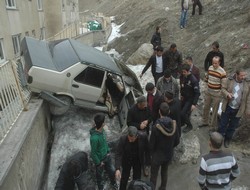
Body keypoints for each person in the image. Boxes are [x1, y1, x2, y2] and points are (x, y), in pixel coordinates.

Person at [150, 102, 179, 190]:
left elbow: (151, 144)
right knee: (164, 172)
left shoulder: (156, 127)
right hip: (168, 154)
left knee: (154, 176)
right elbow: (177, 141)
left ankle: (152, 188)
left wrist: (152, 153)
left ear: (159, 112)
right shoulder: (174, 125)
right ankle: (163, 188)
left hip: (157, 155)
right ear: (169, 112)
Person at [218, 68, 250, 148]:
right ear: (236, 74)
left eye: (244, 75)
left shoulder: (247, 83)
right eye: (241, 75)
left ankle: (227, 139)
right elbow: (223, 89)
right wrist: (227, 94)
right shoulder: (229, 80)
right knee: (223, 124)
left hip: (239, 109)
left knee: (232, 126)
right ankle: (219, 139)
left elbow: (248, 97)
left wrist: (248, 109)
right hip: (228, 106)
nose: (243, 77)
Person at [89, 113, 118, 190]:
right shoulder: (94, 138)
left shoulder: (102, 131)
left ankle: (113, 183)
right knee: (100, 177)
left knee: (112, 171)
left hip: (107, 156)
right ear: (102, 124)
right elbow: (93, 153)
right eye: (104, 122)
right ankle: (100, 188)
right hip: (100, 161)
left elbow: (105, 142)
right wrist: (98, 163)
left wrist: (108, 151)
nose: (105, 123)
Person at [199, 56, 227, 131]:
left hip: (217, 94)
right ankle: (205, 121)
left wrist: (220, 93)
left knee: (214, 111)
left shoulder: (222, 72)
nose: (214, 64)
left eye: (216, 63)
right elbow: (207, 78)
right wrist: (205, 87)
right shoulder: (210, 68)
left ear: (219, 63)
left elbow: (224, 85)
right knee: (206, 107)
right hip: (208, 92)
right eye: (213, 63)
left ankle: (212, 126)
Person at [180, 64, 200, 133]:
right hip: (184, 97)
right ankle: (182, 122)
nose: (183, 73)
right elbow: (183, 86)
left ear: (188, 71)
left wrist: (194, 104)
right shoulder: (184, 77)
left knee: (183, 113)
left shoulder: (194, 80)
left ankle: (189, 125)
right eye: (182, 72)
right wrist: (182, 94)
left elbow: (197, 93)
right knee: (180, 110)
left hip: (190, 99)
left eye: (184, 72)